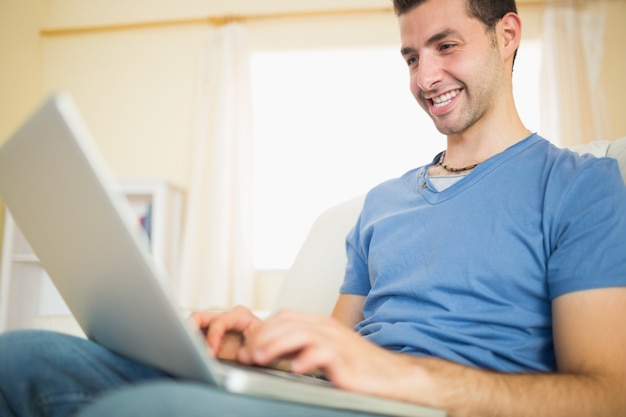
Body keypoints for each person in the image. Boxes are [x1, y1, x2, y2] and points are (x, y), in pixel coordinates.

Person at [1, 0, 626, 415]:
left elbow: (607, 392)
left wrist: (409, 378)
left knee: (138, 410)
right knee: (21, 356)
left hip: (433, 406)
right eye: (411, 57)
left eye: (446, 46)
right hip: (346, 401)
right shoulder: (382, 203)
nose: (425, 76)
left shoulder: (580, 184)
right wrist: (265, 346)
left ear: (507, 35)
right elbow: (338, 343)